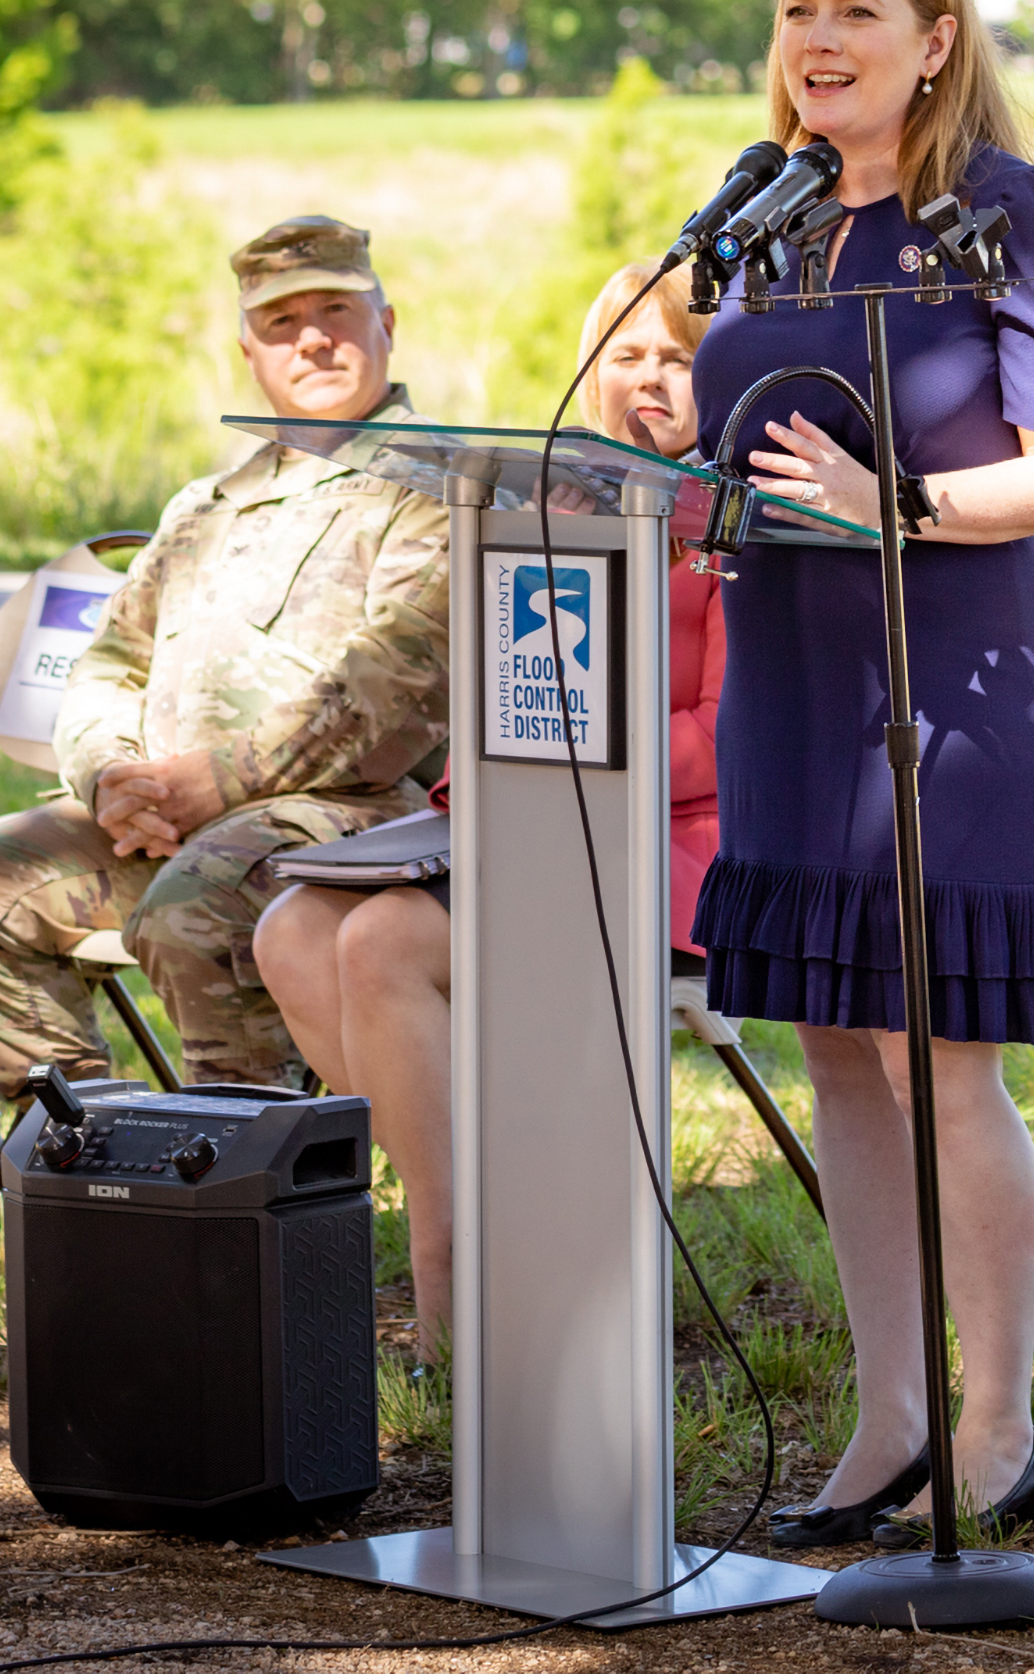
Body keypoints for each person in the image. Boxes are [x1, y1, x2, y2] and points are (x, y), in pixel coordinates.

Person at [687, 0, 1034, 1550]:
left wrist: (897, 500)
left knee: (936, 1057)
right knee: (839, 1053)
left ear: (938, 39)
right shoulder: (760, 217)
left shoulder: (1022, 216)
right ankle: (887, 1422)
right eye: (798, 8)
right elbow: (726, 417)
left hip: (952, 675)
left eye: (858, 13)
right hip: (789, 681)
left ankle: (997, 1427)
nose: (817, 40)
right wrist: (650, 414)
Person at [254, 261, 723, 1359]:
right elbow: (501, 703)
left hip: (674, 835)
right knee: (291, 928)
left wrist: (574, 767)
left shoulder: (738, 520)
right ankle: (498, 1209)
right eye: (623, 357)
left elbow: (730, 738)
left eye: (676, 357)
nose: (646, 380)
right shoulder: (541, 501)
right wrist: (488, 794)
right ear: (586, 375)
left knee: (382, 941)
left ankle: (448, 1267)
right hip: (529, 815)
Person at [0, 217, 451, 1100]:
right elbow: (107, 665)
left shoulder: (435, 485)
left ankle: (252, 1190)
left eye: (336, 309)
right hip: (167, 820)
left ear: (387, 324)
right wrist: (110, 779)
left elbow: (388, 691)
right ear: (248, 349)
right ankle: (84, 1157)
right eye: (281, 322)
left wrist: (216, 783)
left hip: (346, 820)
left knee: (194, 910)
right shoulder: (206, 504)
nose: (313, 337)